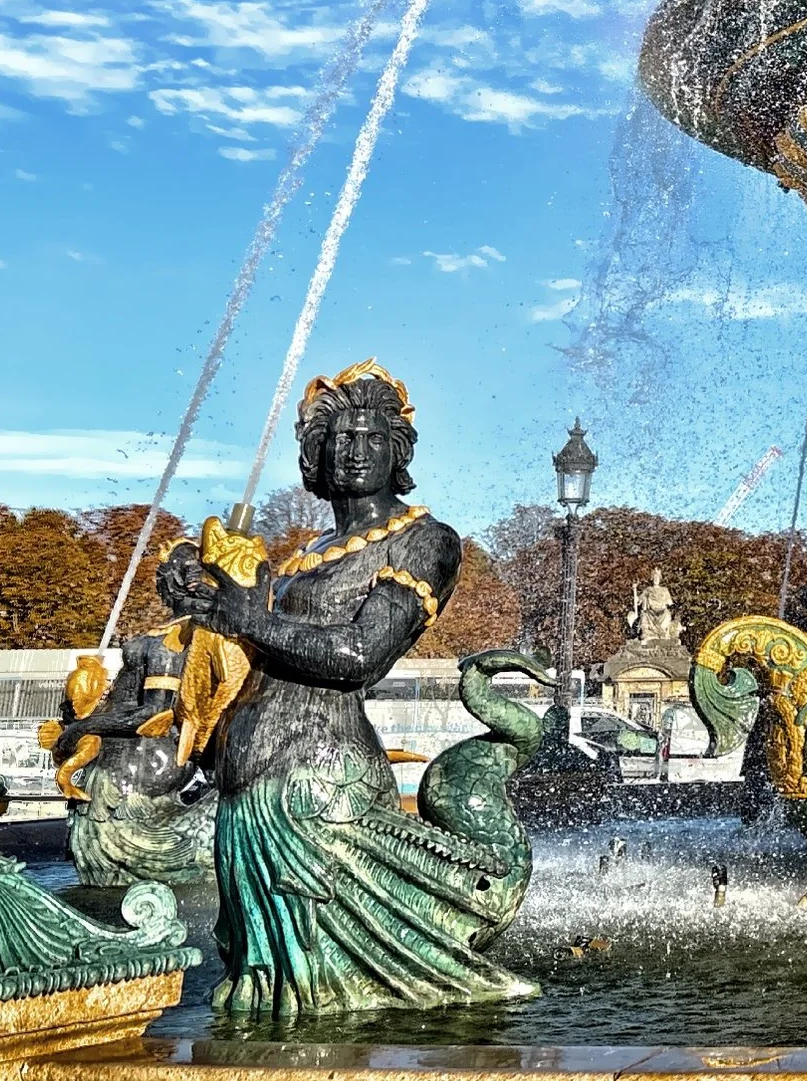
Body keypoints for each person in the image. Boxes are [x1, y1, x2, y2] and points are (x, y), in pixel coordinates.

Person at [160, 359, 534, 1017]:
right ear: (314, 456)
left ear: (398, 451)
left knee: (330, 1004)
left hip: (320, 796)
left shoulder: (424, 542)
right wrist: (200, 590)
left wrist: (247, 614)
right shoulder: (305, 555)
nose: (356, 452)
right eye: (340, 439)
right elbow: (250, 641)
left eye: (372, 438)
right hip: (252, 797)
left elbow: (361, 654)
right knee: (268, 1003)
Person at [43, 565, 215, 887]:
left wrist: (81, 728)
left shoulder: (173, 643)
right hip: (115, 790)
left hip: (134, 790)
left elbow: (152, 715)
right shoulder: (171, 636)